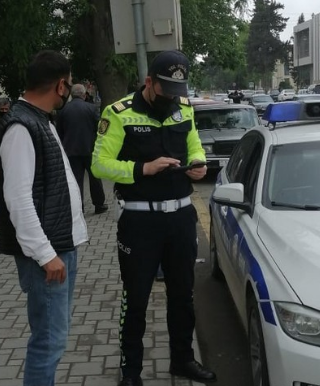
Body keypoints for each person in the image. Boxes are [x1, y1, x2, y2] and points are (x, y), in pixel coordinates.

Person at [91, 50, 216, 386]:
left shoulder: (184, 108)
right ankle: (131, 372)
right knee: (136, 299)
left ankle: (183, 360)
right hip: (139, 223)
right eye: (166, 90)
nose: (173, 98)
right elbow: (100, 164)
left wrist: (198, 163)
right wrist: (142, 169)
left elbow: (194, 145)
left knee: (183, 295)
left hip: (180, 217)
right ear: (149, 82)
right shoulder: (118, 113)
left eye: (178, 90)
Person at [0, 50, 88, 386]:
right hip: (47, 255)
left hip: (60, 246)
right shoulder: (21, 126)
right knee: (48, 341)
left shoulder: (38, 119)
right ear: (61, 85)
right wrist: (46, 255)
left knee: (53, 337)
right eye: (71, 82)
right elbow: (17, 199)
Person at [56, 84, 108, 214]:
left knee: (76, 180)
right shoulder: (91, 108)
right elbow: (101, 128)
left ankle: (79, 207)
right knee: (95, 177)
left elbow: (59, 132)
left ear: (72, 95)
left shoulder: (63, 110)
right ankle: (99, 204)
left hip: (71, 151)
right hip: (90, 148)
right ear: (84, 95)